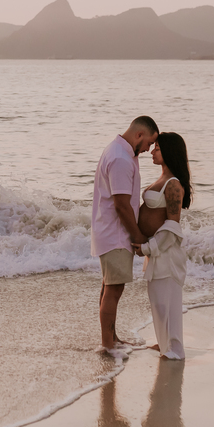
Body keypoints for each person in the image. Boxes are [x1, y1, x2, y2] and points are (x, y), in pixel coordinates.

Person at [91, 116, 159, 356]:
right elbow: (121, 205)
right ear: (139, 135)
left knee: (109, 286)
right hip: (115, 234)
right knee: (114, 289)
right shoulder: (121, 158)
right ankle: (107, 346)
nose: (149, 149)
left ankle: (111, 339)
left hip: (110, 232)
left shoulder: (120, 151)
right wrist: (138, 236)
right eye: (150, 143)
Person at [137, 132, 192, 360]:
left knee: (167, 303)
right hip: (156, 253)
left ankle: (173, 350)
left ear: (168, 151)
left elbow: (171, 228)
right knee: (157, 302)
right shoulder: (161, 180)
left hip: (165, 254)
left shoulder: (173, 186)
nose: (152, 151)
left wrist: (147, 248)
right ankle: (163, 342)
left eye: (157, 147)